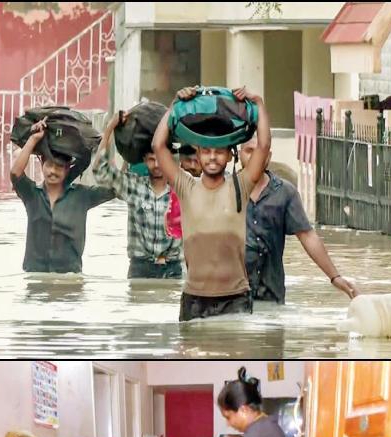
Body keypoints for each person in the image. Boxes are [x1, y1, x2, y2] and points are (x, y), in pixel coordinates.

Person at [152, 85, 271, 321]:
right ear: (197, 154)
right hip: (194, 300)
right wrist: (175, 104)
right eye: (206, 151)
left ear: (229, 155)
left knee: (235, 359)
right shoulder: (186, 187)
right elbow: (158, 146)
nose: (213, 157)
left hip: (235, 298)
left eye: (219, 151)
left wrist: (257, 102)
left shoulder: (241, 185)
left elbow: (264, 145)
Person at [238, 141, 359, 305]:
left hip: (270, 296)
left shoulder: (285, 193)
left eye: (261, 151)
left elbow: (307, 235)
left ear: (269, 156)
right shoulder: (225, 190)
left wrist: (335, 277)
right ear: (239, 154)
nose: (255, 156)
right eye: (249, 151)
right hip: (230, 297)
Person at [9, 118, 116, 273]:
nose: (53, 171)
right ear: (42, 165)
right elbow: (15, 173)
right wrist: (34, 139)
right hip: (35, 278)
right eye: (49, 165)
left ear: (67, 169)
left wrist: (108, 135)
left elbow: (114, 189)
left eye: (59, 167)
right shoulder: (32, 195)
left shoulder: (82, 196)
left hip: (70, 280)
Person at [92, 110, 184, 279]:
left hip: (173, 270)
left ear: (169, 157)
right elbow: (100, 171)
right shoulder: (134, 186)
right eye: (151, 159)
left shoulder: (183, 189)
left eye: (160, 158)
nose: (156, 164)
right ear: (144, 160)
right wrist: (110, 128)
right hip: (140, 268)